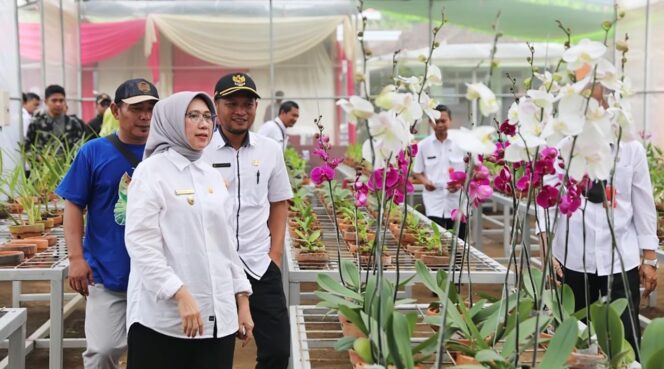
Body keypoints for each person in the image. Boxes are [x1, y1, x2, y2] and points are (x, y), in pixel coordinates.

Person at [124, 91, 253, 369]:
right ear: (170, 121)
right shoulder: (151, 172)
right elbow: (141, 244)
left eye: (208, 116)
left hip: (219, 318)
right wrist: (179, 293)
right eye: (192, 116)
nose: (204, 124)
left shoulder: (211, 175)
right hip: (165, 321)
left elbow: (226, 245)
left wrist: (242, 299)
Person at [539, 86, 658, 358]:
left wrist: (649, 259)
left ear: (609, 107)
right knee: (573, 339)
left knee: (624, 340)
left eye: (598, 107)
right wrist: (547, 254)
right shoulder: (562, 151)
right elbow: (544, 202)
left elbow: (643, 205)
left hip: (620, 260)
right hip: (572, 260)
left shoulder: (631, 150)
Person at [55, 78, 159, 369]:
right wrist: (76, 258)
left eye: (152, 109)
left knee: (155, 352)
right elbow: (74, 204)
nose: (145, 116)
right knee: (103, 351)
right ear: (115, 110)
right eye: (136, 109)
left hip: (158, 276)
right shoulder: (94, 152)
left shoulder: (166, 153)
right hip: (108, 271)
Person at [203, 73, 293, 369]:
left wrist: (274, 256)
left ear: (256, 107)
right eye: (232, 103)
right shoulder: (199, 150)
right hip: (212, 265)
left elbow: (279, 203)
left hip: (259, 263)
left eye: (248, 103)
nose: (241, 111)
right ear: (216, 105)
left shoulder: (269, 150)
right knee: (214, 351)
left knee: (278, 351)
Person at [413, 104, 467, 238]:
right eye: (436, 121)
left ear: (450, 121)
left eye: (444, 121)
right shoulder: (423, 146)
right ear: (430, 122)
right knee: (436, 241)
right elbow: (417, 171)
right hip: (434, 201)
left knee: (458, 242)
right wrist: (426, 182)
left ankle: (457, 260)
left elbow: (472, 169)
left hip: (457, 201)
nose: (440, 124)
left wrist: (460, 184)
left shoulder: (461, 144)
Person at [26, 84, 86, 153]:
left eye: (61, 101)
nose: (58, 104)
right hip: (44, 163)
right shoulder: (36, 123)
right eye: (54, 101)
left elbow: (82, 146)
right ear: (46, 102)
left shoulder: (74, 123)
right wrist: (40, 158)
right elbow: (27, 148)